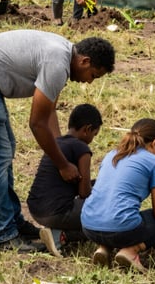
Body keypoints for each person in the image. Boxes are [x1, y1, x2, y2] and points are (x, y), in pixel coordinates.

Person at [0, 31, 115, 252]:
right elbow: (37, 123)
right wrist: (62, 164)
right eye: (93, 75)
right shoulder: (57, 64)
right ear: (85, 61)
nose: (89, 82)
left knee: (5, 151)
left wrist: (62, 150)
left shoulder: (63, 55)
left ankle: (12, 222)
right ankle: (2, 235)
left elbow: (49, 111)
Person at [81, 118, 155, 271]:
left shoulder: (112, 154)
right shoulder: (154, 161)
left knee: (117, 213)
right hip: (121, 230)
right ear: (154, 143)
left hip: (89, 226)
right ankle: (130, 251)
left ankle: (104, 248)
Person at [27, 103, 103, 257]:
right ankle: (60, 235)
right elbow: (84, 193)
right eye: (94, 134)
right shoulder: (82, 149)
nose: (93, 139)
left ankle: (54, 231)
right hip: (57, 213)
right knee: (104, 217)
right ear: (87, 129)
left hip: (35, 209)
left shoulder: (55, 144)